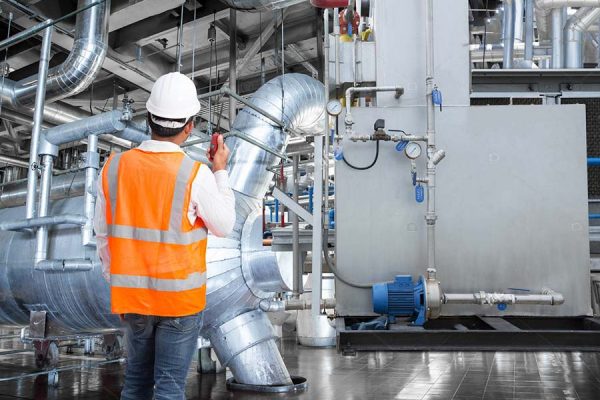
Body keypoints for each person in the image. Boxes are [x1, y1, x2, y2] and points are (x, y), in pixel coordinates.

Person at [93, 72, 236, 400]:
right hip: (179, 304)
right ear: (190, 126)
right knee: (169, 390)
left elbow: (103, 235)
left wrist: (117, 282)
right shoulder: (195, 174)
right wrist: (220, 171)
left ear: (148, 118)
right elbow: (225, 225)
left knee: (135, 387)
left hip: (133, 301)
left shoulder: (113, 168)